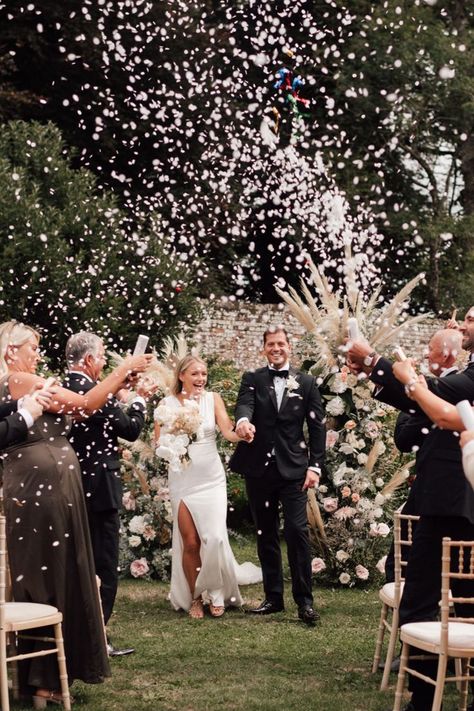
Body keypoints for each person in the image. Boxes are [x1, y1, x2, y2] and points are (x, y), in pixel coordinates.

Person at [0, 320, 151, 706]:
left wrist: (117, 385)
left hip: (56, 493)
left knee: (63, 571)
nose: (37, 351)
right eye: (31, 346)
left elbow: (86, 410)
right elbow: (84, 403)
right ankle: (41, 679)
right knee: (49, 575)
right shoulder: (19, 380)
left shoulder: (35, 384)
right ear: (9, 352)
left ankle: (49, 675)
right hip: (39, 494)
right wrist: (120, 368)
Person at [346, 307, 474, 711]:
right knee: (428, 599)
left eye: (471, 318)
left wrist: (375, 362)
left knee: (444, 601)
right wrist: (373, 367)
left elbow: (438, 403)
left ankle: (431, 697)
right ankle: (423, 694)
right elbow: (423, 407)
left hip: (459, 505)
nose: (462, 325)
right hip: (444, 502)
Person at [63, 331, 156, 656]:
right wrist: (140, 400)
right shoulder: (88, 390)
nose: (104, 362)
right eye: (102, 356)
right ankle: (97, 638)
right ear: (89, 360)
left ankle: (83, 633)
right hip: (100, 490)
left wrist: (120, 390)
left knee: (78, 563)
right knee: (104, 564)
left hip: (74, 487)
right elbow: (129, 429)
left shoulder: (68, 386)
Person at [230, 326, 326, 626]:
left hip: (294, 470)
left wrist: (315, 466)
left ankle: (305, 602)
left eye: (281, 343)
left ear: (289, 347)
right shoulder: (253, 379)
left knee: (297, 532)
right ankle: (273, 598)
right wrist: (243, 421)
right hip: (259, 470)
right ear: (264, 348)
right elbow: (243, 405)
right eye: (271, 344)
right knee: (265, 532)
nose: (276, 348)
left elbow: (318, 426)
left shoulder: (307, 382)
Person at [154, 354, 261, 619]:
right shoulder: (166, 405)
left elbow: (226, 431)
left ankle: (215, 592)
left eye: (204, 374)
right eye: (195, 374)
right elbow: (158, 445)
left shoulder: (212, 399)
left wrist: (243, 433)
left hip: (211, 479)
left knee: (213, 538)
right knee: (190, 543)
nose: (201, 379)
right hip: (182, 479)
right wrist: (173, 444)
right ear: (181, 376)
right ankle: (194, 597)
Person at [384, 328, 463, 583]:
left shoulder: (450, 389)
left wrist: (417, 397)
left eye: (430, 349)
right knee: (403, 555)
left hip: (445, 489)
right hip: (427, 482)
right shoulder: (427, 388)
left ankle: (411, 606)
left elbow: (406, 437)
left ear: (446, 355)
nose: (426, 354)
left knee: (412, 559)